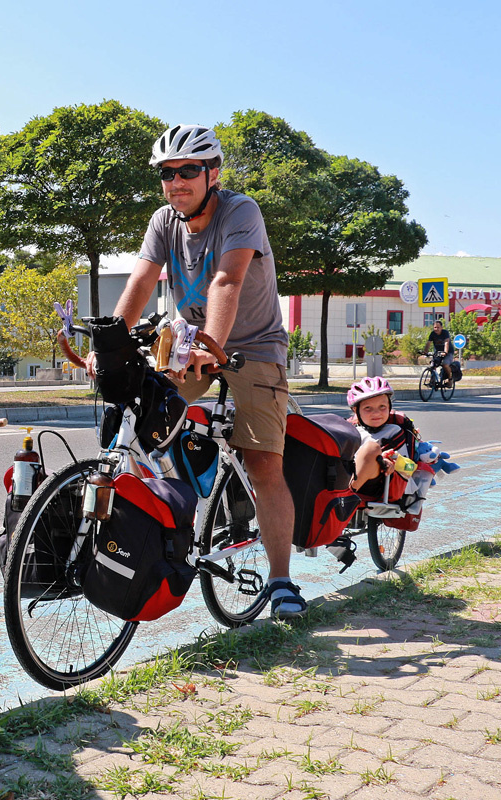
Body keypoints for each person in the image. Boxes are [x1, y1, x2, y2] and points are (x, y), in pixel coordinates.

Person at [112, 124, 303, 620]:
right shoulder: (163, 221)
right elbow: (141, 278)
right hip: (191, 344)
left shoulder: (241, 211)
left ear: (212, 174)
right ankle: (183, 506)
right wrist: (111, 340)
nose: (176, 182)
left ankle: (281, 582)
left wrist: (214, 346)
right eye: (167, 173)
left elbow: (227, 279)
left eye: (188, 171)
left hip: (253, 347)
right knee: (143, 414)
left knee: (263, 464)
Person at [346, 376, 419, 494]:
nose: (376, 413)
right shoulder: (351, 430)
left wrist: (394, 461)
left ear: (389, 407)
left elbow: (410, 469)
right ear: (356, 410)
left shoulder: (394, 431)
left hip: (383, 489)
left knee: (371, 449)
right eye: (368, 408)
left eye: (382, 407)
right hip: (352, 479)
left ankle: (347, 496)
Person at [426, 319, 454, 385]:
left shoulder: (445, 333)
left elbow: (446, 342)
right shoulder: (432, 334)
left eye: (438, 327)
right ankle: (432, 381)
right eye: (435, 327)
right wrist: (425, 352)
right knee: (433, 364)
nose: (436, 329)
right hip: (438, 352)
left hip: (448, 352)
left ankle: (450, 379)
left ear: (441, 327)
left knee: (445, 364)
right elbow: (428, 343)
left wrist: (445, 352)